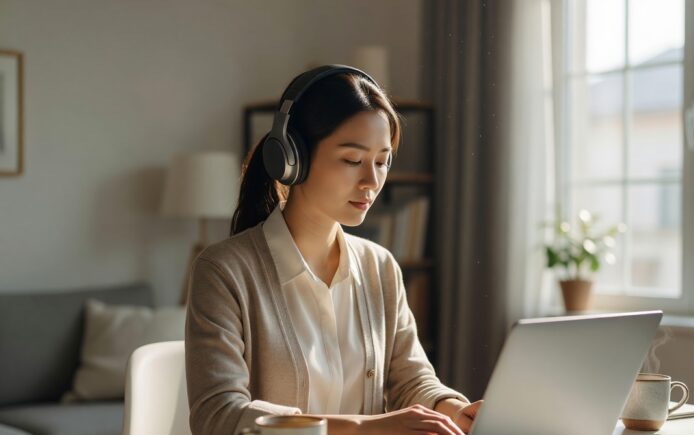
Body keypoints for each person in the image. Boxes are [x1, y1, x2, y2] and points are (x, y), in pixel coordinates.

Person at [185, 65, 482, 435]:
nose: (371, 182)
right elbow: (218, 417)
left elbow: (411, 381)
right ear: (292, 158)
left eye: (382, 161)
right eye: (352, 160)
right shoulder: (223, 271)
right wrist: (364, 428)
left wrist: (453, 409)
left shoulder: (380, 267)